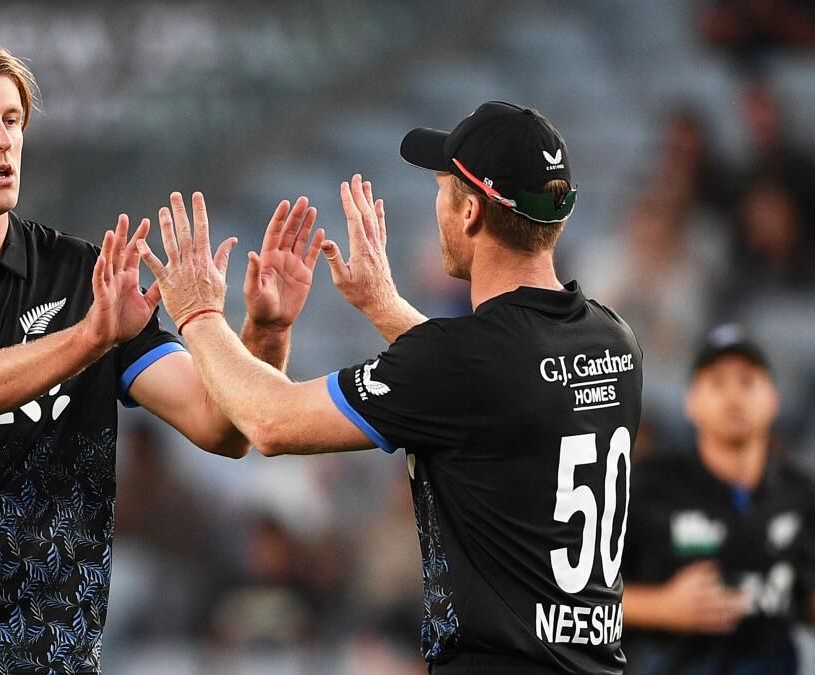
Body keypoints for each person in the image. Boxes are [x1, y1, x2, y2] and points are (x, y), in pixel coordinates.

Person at [0, 36, 324, 675]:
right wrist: (87, 340)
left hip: (48, 651)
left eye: (12, 120)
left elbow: (221, 427)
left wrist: (266, 330)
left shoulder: (83, 275)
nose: (3, 141)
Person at [138, 101, 644, 673]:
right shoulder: (613, 340)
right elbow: (494, 382)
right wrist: (383, 305)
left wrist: (200, 313)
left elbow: (270, 423)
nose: (437, 207)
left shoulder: (463, 360)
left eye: (443, 190)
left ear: (470, 211)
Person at [622, 324, 815, 675]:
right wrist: (662, 607)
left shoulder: (801, 493)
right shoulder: (646, 485)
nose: (733, 397)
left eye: (747, 381)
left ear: (774, 399)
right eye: (717, 383)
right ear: (691, 402)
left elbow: (806, 600)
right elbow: (578, 595)